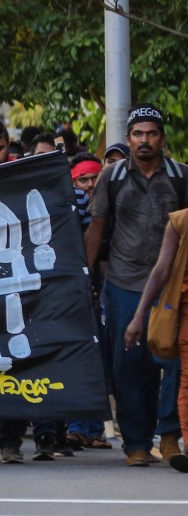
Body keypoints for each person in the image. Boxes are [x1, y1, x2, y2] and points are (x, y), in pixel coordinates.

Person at [84, 103, 188, 467]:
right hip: (124, 283)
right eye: (138, 134)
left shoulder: (181, 176)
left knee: (173, 363)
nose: (145, 140)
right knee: (129, 365)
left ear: (162, 138)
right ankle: (137, 442)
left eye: (152, 133)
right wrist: (86, 277)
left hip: (172, 288)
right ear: (128, 138)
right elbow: (96, 229)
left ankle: (171, 436)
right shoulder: (110, 177)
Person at [125, 206, 188, 472]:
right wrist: (140, 315)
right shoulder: (181, 220)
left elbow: (162, 269)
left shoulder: (181, 219)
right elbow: (162, 270)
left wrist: (139, 316)